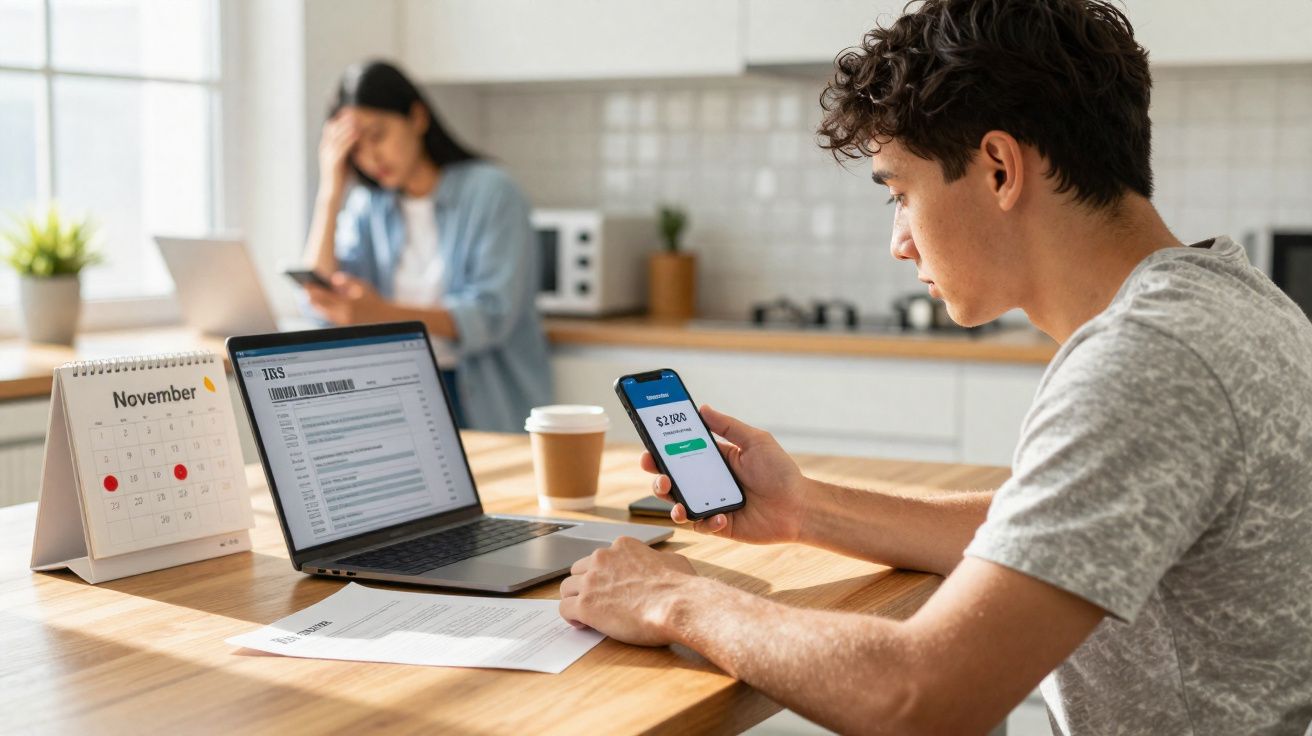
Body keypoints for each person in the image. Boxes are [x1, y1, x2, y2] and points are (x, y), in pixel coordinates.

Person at [555, 1, 1312, 734]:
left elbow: (922, 698)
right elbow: (1053, 528)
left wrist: (674, 600)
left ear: (999, 169)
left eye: (901, 192)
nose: (899, 242)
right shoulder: (1230, 301)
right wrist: (804, 508)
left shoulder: (1146, 364)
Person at [301, 60, 551, 432]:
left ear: (417, 117)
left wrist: (379, 313)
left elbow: (490, 316)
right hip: (399, 392)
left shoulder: (492, 191)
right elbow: (320, 307)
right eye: (355, 149)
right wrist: (330, 191)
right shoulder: (369, 206)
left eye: (377, 135)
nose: (370, 157)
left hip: (482, 398)